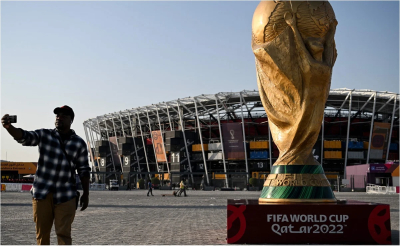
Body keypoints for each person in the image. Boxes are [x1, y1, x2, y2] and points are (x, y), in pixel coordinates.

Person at [1, 105, 91, 245]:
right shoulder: (45, 135)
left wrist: (86, 193)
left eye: (63, 116)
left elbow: (84, 170)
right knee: (42, 236)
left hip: (66, 195)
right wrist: (9, 128)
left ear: (71, 121)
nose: (59, 118)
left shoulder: (79, 143)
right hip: (42, 193)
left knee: (64, 236)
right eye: (57, 115)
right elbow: (25, 137)